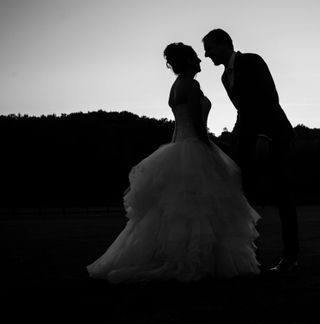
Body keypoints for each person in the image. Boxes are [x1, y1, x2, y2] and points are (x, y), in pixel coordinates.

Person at [87, 43, 260, 283]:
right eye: (197, 58)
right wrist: (212, 151)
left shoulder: (175, 86)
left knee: (177, 209)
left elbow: (179, 123)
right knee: (201, 207)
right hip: (195, 145)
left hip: (179, 144)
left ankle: (186, 258)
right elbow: (198, 126)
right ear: (189, 62)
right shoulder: (191, 84)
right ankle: (195, 262)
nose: (201, 61)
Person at [202, 28, 299, 273]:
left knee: (283, 196)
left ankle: (291, 257)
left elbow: (269, 99)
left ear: (224, 45)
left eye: (209, 48)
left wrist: (264, 136)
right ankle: (250, 257)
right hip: (248, 140)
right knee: (244, 196)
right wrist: (234, 139)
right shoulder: (225, 77)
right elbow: (243, 111)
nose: (206, 55)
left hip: (273, 136)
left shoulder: (252, 61)